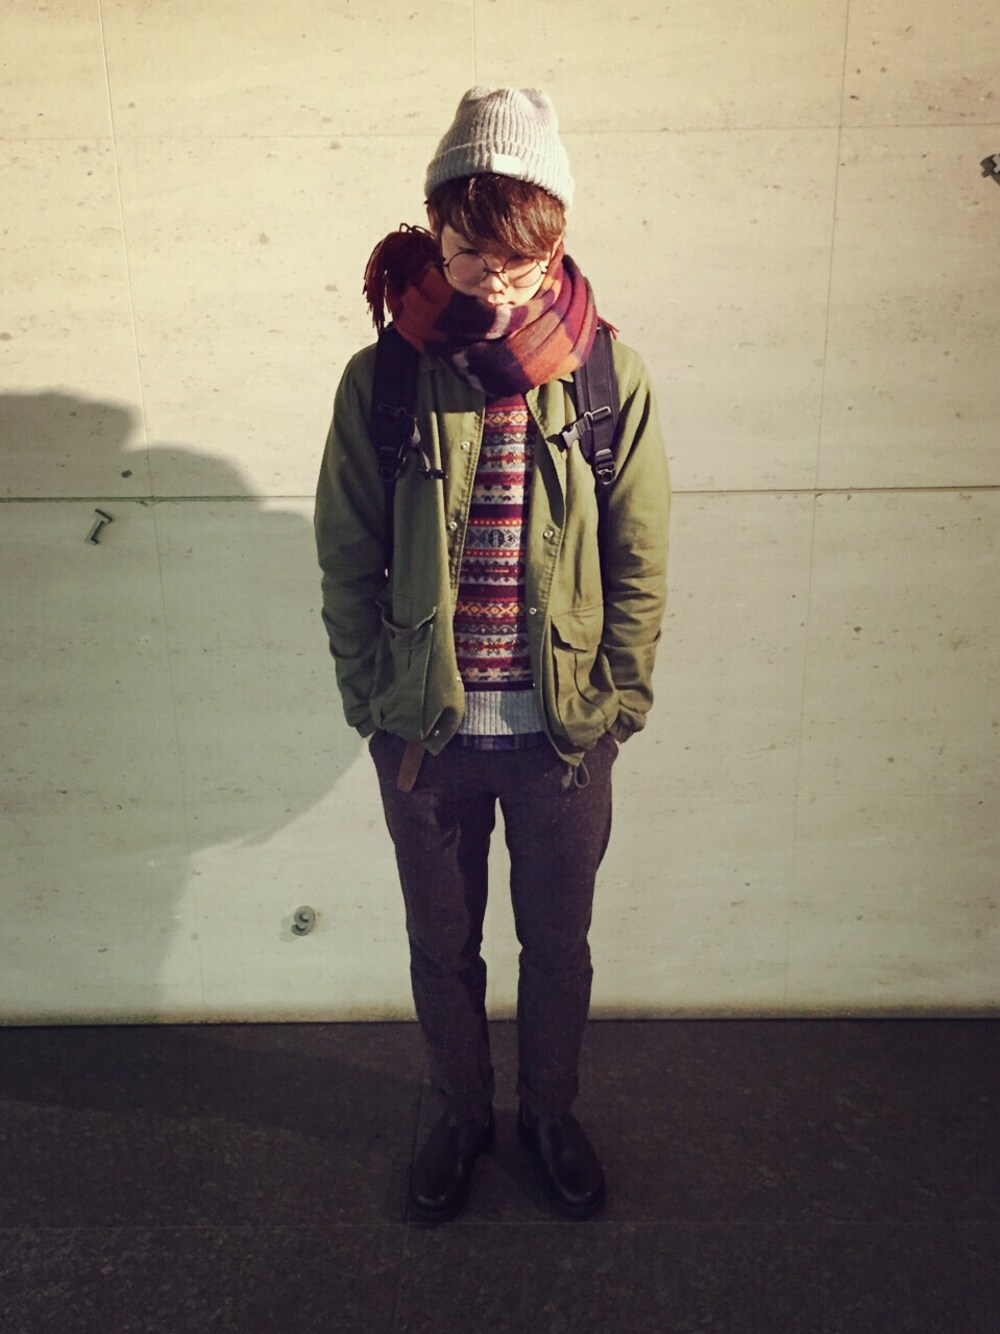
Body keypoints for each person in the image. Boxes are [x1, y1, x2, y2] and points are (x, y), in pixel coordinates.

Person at [314, 87, 670, 1225]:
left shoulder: (606, 376)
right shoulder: (384, 379)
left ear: (554, 241)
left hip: (562, 734)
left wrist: (616, 706)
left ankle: (549, 1114)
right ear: (435, 228)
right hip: (427, 737)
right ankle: (458, 1112)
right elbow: (346, 558)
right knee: (442, 945)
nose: (497, 284)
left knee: (557, 946)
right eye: (471, 256)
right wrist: (373, 705)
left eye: (520, 262)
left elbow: (640, 560)